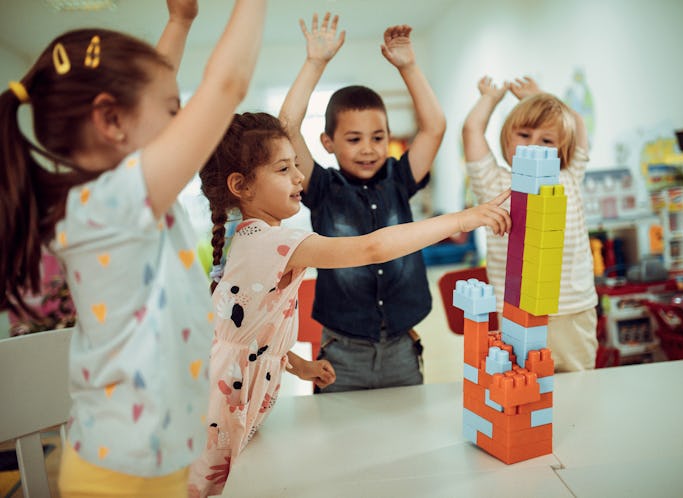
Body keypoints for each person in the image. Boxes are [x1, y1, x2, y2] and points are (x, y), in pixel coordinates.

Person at [0, 0, 267, 495]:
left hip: (152, 465)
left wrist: (180, 22)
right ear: (110, 120)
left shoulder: (114, 197)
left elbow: (142, 103)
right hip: (119, 479)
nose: (183, 124)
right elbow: (227, 84)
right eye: (173, 111)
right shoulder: (110, 204)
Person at [188, 111, 510, 496]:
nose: (298, 177)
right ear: (241, 185)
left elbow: (241, 330)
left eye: (296, 165)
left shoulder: (251, 238)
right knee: (213, 488)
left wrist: (294, 363)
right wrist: (460, 221)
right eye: (282, 169)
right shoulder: (269, 241)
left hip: (230, 393)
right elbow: (372, 247)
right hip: (223, 405)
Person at [279, 13, 447, 392]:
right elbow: (287, 126)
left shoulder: (399, 180)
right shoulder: (321, 187)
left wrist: (409, 67)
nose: (368, 150)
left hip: (403, 348)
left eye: (378, 137)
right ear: (328, 143)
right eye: (354, 139)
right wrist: (315, 63)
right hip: (342, 354)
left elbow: (435, 126)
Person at [461, 75, 598, 372]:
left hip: (573, 309)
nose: (533, 146)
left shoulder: (570, 175)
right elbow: (471, 130)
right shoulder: (495, 182)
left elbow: (578, 126)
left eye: (547, 140)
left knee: (577, 384)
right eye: (524, 135)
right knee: (521, 387)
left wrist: (540, 97)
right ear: (507, 138)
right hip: (515, 311)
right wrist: (490, 99)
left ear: (562, 148)